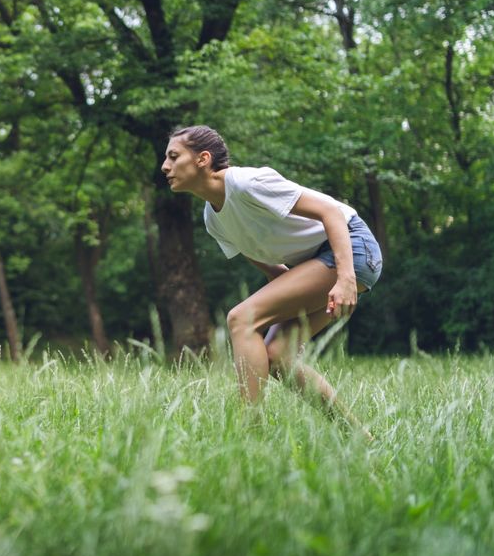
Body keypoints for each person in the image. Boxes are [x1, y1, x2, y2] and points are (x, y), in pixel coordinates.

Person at [161, 125, 381, 434]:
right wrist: (304, 298)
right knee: (279, 356)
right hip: (319, 263)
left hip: (353, 248)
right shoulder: (214, 219)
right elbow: (275, 273)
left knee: (241, 318)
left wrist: (344, 279)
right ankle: (360, 437)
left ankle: (251, 437)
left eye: (173, 156)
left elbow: (331, 211)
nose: (165, 166)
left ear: (202, 159)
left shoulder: (247, 183)